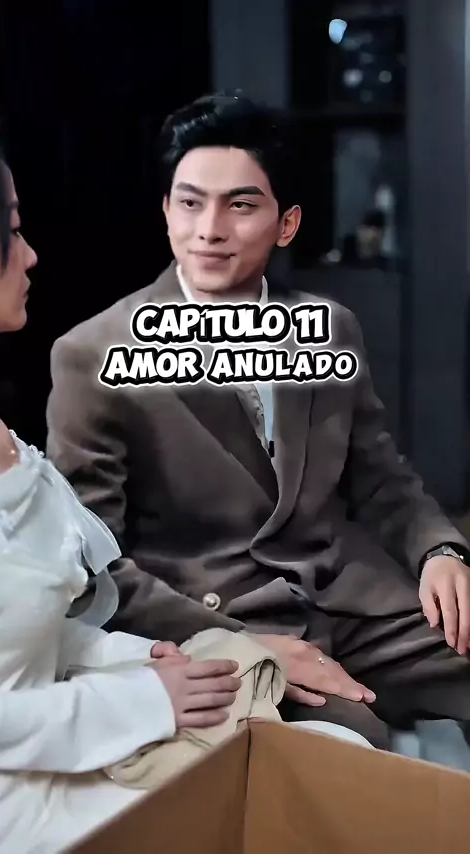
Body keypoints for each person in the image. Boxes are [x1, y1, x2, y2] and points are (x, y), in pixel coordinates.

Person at [47, 93, 470, 752]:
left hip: (348, 595)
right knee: (351, 746)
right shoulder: (95, 354)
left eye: (240, 206)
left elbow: (381, 477)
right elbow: (94, 565)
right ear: (166, 212)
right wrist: (240, 643)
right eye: (190, 203)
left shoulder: (328, 330)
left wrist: (439, 550)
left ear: (287, 223)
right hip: (218, 615)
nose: (209, 229)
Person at [0, 138, 240, 853]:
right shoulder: (96, 352)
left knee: (319, 750)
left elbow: (14, 634)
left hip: (66, 730)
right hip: (13, 795)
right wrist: (137, 697)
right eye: (11, 229)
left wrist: (133, 657)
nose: (30, 254)